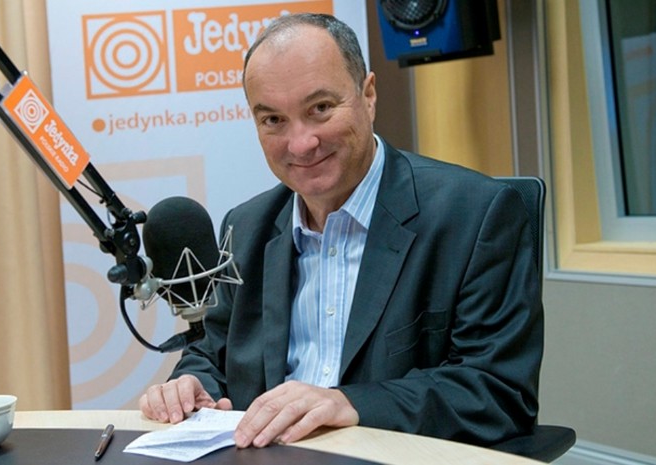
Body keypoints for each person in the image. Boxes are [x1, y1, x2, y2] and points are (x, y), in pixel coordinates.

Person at [139, 13, 543, 450]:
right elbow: (211, 353)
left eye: (320, 109)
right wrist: (190, 384)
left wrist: (350, 404)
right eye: (273, 120)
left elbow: (498, 392)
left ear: (368, 95)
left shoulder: (474, 215)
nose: (301, 143)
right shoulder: (247, 226)